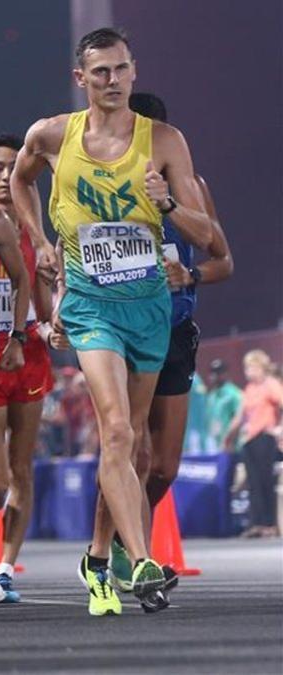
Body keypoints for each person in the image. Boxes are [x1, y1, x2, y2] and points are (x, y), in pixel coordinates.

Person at [11, 27, 215, 615]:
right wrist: (39, 238)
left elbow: (205, 237)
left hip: (149, 307)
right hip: (91, 304)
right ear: (82, 80)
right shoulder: (51, 134)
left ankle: (98, 558)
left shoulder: (166, 143)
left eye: (120, 70)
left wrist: (168, 202)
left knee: (135, 452)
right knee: (118, 432)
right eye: (99, 72)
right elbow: (20, 183)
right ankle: (142, 560)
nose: (111, 81)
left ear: (133, 71)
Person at [103, 91, 235, 592]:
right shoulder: (103, 187)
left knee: (163, 467)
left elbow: (222, 260)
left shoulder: (190, 188)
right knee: (128, 449)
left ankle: (118, 540)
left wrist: (189, 276)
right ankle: (136, 557)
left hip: (176, 331)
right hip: (124, 329)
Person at [0, 133, 53, 602]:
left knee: (21, 469)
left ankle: (4, 566)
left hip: (27, 356)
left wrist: (48, 326)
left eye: (13, 168)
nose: (5, 177)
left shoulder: (33, 233)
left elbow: (43, 309)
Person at [225, 351, 283, 538]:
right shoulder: (249, 389)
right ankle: (256, 523)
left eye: (251, 367)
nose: (248, 372)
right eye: (246, 368)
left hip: (265, 439)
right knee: (253, 483)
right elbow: (240, 416)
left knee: (266, 481)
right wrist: (228, 438)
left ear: (261, 367)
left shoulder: (271, 385)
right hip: (249, 441)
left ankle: (269, 524)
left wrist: (279, 429)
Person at [206, 360, 242, 452]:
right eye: (212, 372)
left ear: (225, 374)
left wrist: (229, 441)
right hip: (214, 444)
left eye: (218, 373)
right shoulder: (212, 395)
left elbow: (239, 419)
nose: (214, 376)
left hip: (231, 446)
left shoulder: (233, 394)